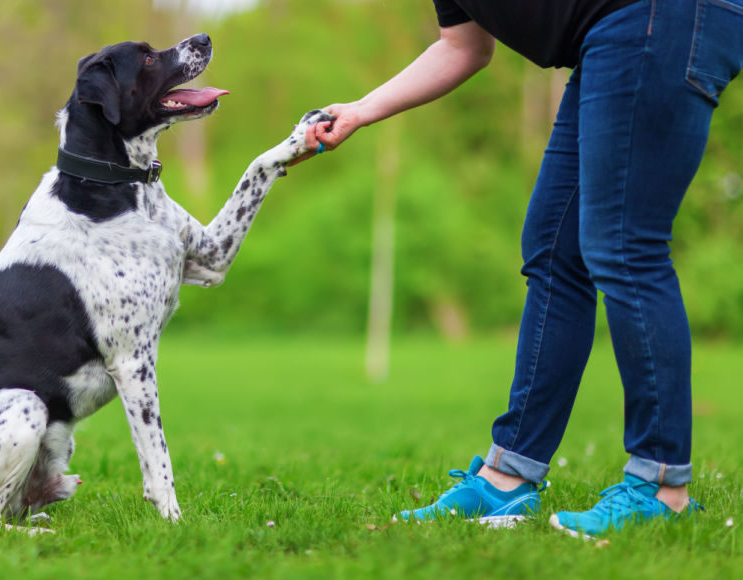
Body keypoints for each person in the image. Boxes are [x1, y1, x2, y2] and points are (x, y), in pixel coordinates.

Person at [298, 0, 742, 538]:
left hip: (658, 17)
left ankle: (662, 485)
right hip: (614, 35)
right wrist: (361, 109)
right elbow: (463, 48)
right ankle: (508, 476)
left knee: (625, 244)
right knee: (554, 249)